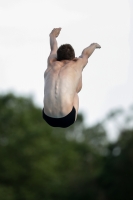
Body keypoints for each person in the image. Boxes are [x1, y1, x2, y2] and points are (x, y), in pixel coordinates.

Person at [42, 28, 101, 128]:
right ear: (73, 58)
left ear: (57, 57)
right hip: (67, 118)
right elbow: (86, 53)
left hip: (47, 117)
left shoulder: (51, 62)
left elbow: (53, 47)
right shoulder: (77, 63)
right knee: (74, 90)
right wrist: (94, 45)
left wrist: (52, 34)